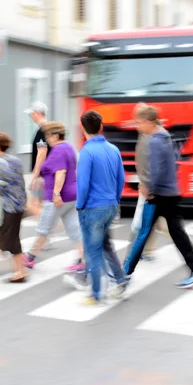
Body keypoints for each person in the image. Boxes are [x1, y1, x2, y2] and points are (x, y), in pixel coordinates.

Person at [123, 105, 193, 289]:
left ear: (150, 122)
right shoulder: (164, 136)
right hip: (169, 193)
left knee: (143, 234)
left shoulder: (154, 141)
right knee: (176, 233)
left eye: (139, 122)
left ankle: (125, 274)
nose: (137, 126)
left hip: (157, 195)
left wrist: (147, 188)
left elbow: (156, 171)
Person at [76, 110, 130, 305]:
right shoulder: (113, 149)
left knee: (93, 250)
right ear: (101, 127)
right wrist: (114, 200)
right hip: (110, 205)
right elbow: (121, 179)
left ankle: (96, 293)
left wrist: (80, 205)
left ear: (83, 129)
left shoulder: (87, 152)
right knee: (106, 245)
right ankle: (121, 279)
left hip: (92, 208)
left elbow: (82, 184)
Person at [23, 121, 84, 270]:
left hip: (57, 198)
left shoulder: (58, 150)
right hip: (71, 196)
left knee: (44, 227)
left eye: (49, 136)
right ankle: (82, 260)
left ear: (56, 136)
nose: (47, 139)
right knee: (74, 229)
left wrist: (56, 194)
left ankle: (30, 257)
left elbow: (61, 172)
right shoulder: (69, 147)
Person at [0, 132, 28, 283]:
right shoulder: (15, 160)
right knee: (7, 237)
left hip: (9, 206)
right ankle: (17, 267)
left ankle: (20, 272)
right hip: (19, 203)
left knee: (11, 240)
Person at [129, 102, 169, 261]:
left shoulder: (156, 136)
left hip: (152, 185)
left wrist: (146, 183)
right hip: (149, 183)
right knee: (154, 219)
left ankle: (138, 251)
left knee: (142, 220)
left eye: (138, 120)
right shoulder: (147, 133)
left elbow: (152, 162)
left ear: (147, 120)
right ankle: (146, 250)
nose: (136, 123)